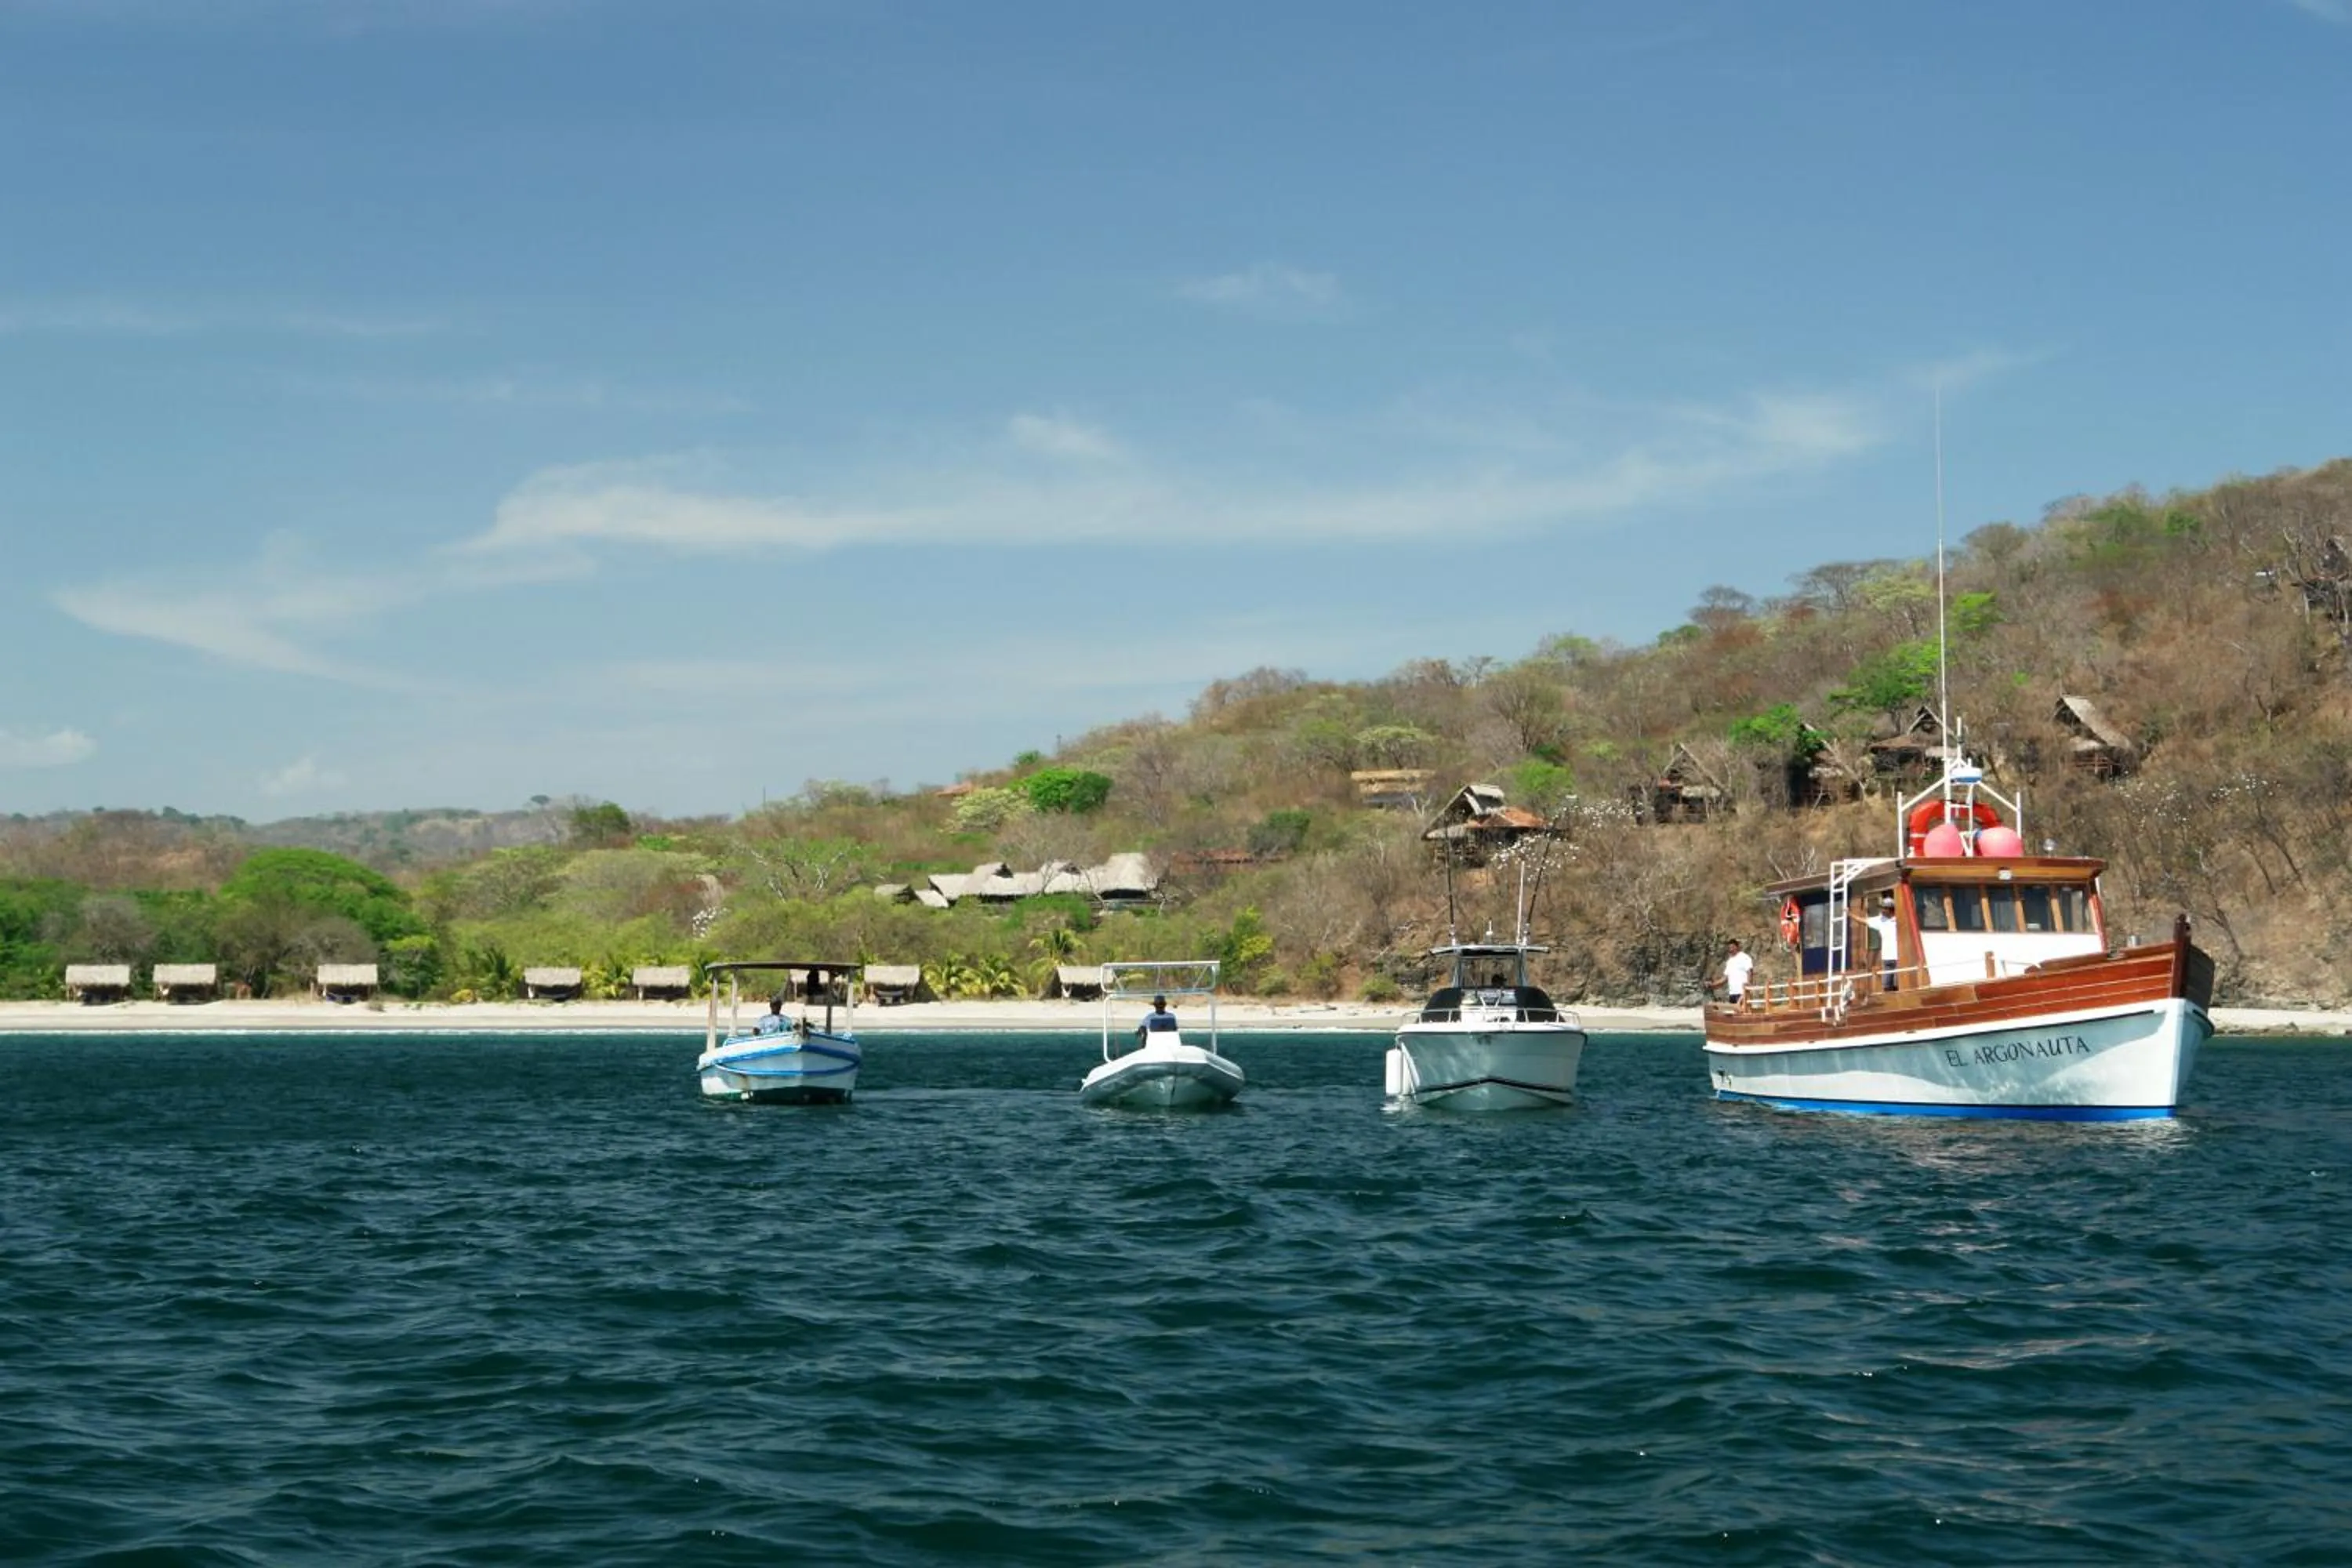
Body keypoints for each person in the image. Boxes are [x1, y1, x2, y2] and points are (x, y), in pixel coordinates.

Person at [1864, 896, 1900, 991]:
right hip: (1887, 958)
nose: (1882, 910)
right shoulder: (1880, 920)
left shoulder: (1899, 919)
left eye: (1884, 908)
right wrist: (1849, 914)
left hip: (1899, 957)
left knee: (1899, 985)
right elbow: (1865, 921)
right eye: (1882, 908)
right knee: (1887, 986)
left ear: (1890, 909)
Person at [1713, 939, 1753, 1007]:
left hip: (1742, 992)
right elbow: (1725, 978)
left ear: (1737, 947)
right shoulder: (1729, 961)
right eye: (1729, 948)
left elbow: (1750, 971)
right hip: (1732, 993)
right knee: (1733, 1013)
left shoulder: (1744, 957)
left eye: (1733, 947)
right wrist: (1713, 985)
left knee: (1743, 1013)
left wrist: (1748, 984)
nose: (1731, 949)